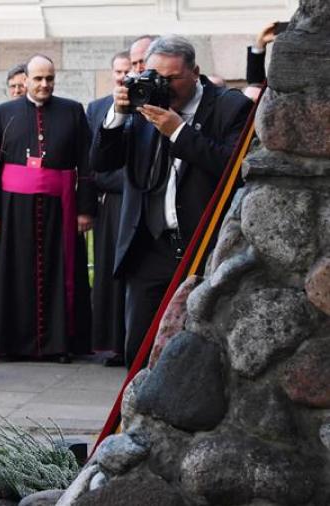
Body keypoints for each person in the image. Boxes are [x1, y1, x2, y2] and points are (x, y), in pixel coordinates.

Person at [90, 35, 252, 368]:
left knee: (203, 348)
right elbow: (101, 163)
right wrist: (118, 116)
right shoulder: (143, 104)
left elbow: (234, 168)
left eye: (172, 78)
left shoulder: (230, 107)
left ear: (195, 72)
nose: (162, 86)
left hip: (205, 247)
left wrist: (179, 132)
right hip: (150, 246)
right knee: (138, 348)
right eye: (154, 76)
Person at [0, 55, 95, 361]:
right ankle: (12, 344)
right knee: (14, 273)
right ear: (26, 80)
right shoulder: (4, 113)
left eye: (50, 79)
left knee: (60, 272)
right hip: (13, 209)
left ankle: (60, 344)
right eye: (39, 79)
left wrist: (85, 208)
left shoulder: (72, 111)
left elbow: (85, 164)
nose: (44, 85)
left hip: (61, 208)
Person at [87, 50, 131, 367]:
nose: (123, 77)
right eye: (118, 72)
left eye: (128, 71)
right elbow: (94, 163)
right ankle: (112, 343)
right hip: (111, 204)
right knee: (109, 273)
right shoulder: (97, 108)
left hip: (139, 200)